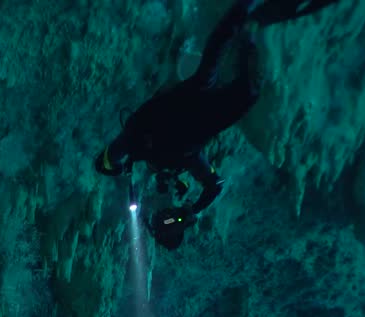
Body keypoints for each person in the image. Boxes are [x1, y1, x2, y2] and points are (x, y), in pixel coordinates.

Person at [94, 0, 346, 249]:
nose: (167, 212)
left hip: (185, 106)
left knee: (215, 70)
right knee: (243, 88)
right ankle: (248, 28)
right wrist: (191, 210)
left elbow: (109, 158)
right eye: (169, 219)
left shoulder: (141, 148)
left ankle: (242, 14)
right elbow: (214, 186)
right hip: (199, 121)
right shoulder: (177, 159)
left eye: (164, 219)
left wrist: (116, 165)